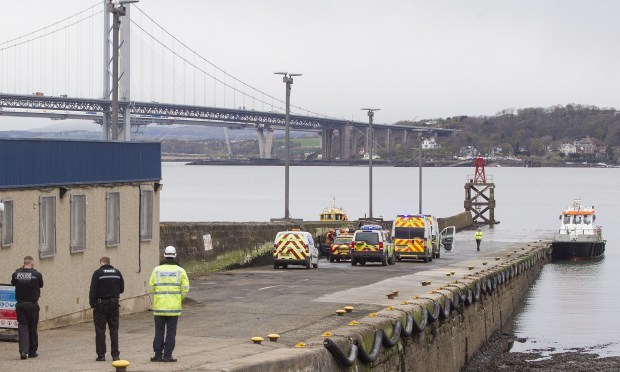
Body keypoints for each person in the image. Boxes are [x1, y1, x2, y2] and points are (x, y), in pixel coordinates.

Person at [149, 246, 190, 363]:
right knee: (171, 332)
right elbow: (185, 288)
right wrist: (178, 298)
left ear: (164, 255)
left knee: (159, 331)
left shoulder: (156, 270)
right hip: (174, 307)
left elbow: (151, 287)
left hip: (159, 306)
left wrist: (159, 296)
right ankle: (167, 355)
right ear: (175, 255)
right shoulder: (180, 271)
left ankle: (157, 355)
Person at [89, 256, 124, 362]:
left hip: (101, 305)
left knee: (100, 330)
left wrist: (92, 304)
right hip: (114, 304)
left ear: (101, 263)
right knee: (114, 330)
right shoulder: (117, 272)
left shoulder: (98, 273)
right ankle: (115, 355)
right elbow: (121, 289)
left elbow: (93, 290)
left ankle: (101, 355)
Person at [11, 256, 44, 360]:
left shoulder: (16, 274)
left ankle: (24, 352)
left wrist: (20, 270)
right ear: (32, 264)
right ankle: (32, 352)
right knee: (32, 328)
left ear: (23, 263)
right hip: (32, 305)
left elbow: (13, 283)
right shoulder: (37, 274)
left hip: (21, 305)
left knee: (23, 328)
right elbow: (41, 285)